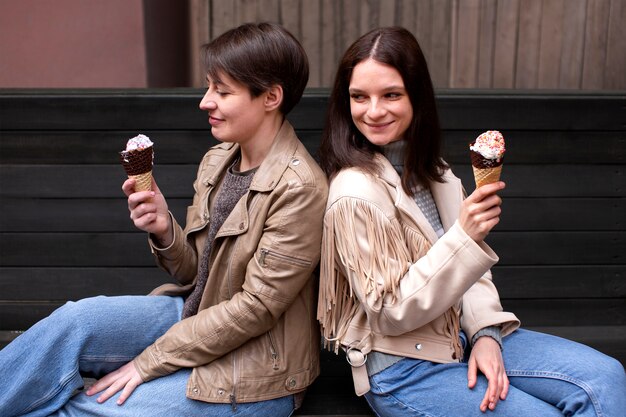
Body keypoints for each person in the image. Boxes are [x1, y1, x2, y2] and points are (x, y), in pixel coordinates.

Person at [0, 22, 327, 417]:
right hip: (195, 315)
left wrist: (146, 362)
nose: (206, 101)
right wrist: (164, 228)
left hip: (258, 370)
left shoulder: (300, 188)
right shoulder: (219, 160)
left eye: (222, 91)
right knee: (75, 322)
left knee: (87, 409)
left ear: (271, 97)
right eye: (209, 87)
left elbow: (254, 309)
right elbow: (195, 272)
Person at [317, 26, 626, 417]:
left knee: (605, 378)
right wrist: (464, 237)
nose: (373, 111)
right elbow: (389, 311)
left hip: (461, 337)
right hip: (404, 367)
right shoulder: (353, 193)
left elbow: (473, 275)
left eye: (391, 94)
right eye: (359, 97)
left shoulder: (439, 174)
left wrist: (485, 333)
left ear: (418, 98)